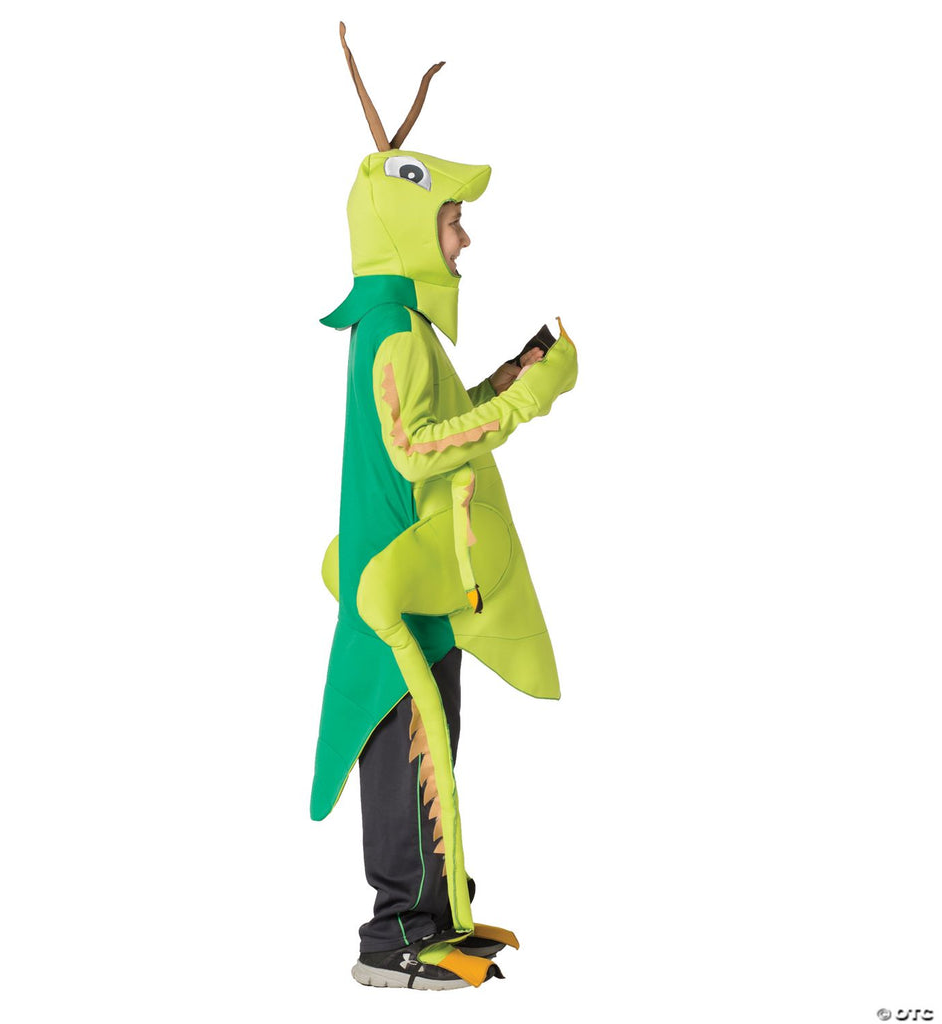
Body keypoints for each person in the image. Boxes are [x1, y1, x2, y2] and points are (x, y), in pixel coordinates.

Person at [310, 24, 578, 991]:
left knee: (432, 747)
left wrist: (505, 375)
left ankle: (439, 916)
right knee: (409, 749)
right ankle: (396, 936)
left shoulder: (404, 328)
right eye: (453, 219)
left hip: (423, 574)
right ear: (408, 226)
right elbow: (414, 447)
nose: (464, 236)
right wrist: (527, 402)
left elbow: (435, 418)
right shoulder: (391, 328)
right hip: (401, 582)